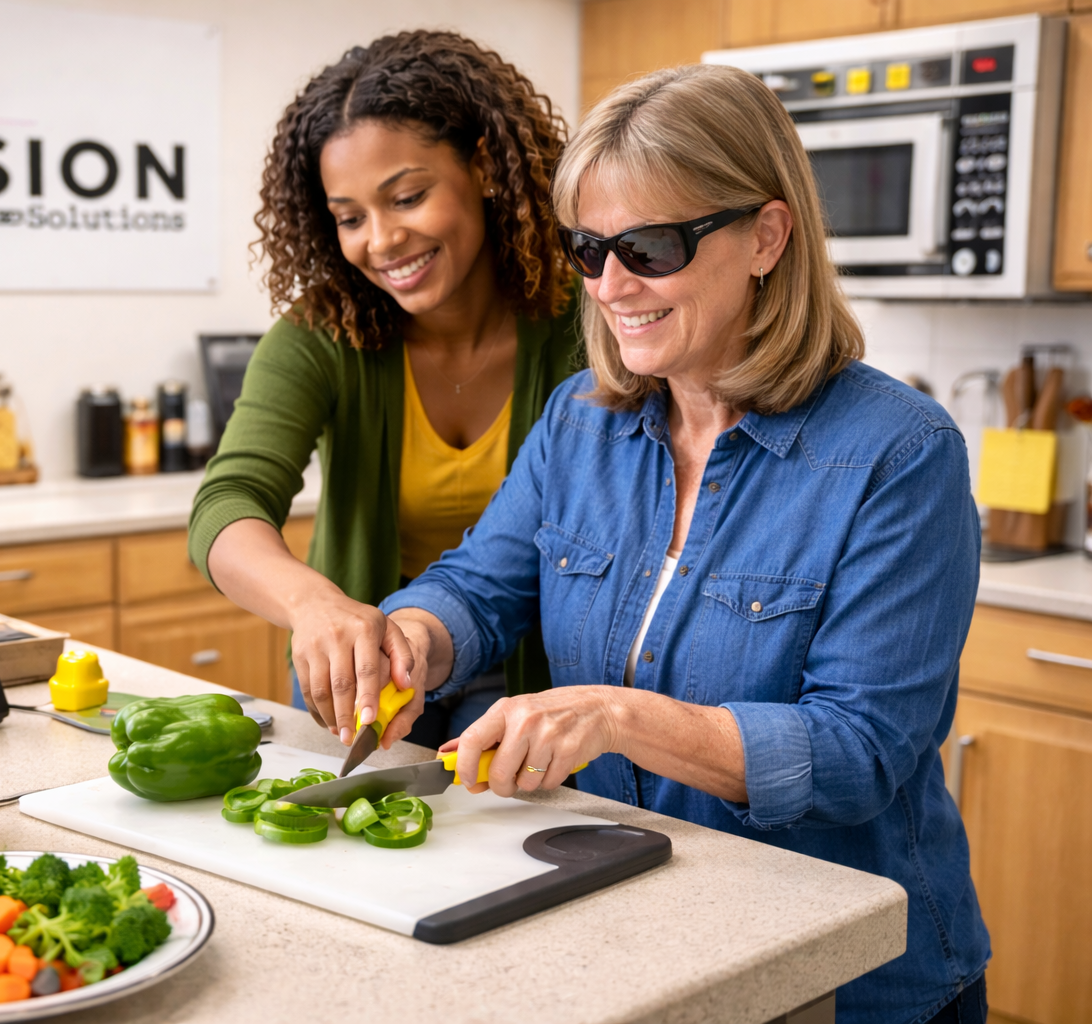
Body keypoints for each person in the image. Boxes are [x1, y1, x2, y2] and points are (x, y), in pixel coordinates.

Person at [378, 64, 990, 1024]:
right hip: (641, 939)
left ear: (766, 237)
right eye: (589, 249)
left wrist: (620, 717)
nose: (611, 286)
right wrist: (412, 635)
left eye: (650, 247)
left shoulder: (900, 454)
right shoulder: (579, 421)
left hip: (848, 978)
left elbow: (859, 751)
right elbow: (483, 587)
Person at [188, 31, 583, 749]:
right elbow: (228, 503)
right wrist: (314, 604)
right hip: (367, 674)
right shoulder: (322, 336)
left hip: (538, 671)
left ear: (485, 167)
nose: (381, 240)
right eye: (350, 217)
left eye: (407, 197)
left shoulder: (587, 327)